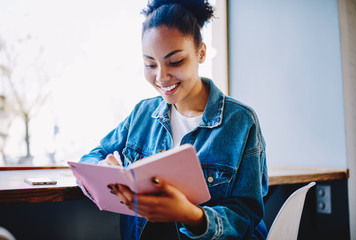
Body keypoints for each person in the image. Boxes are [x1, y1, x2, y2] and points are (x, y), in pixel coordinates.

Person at [79, 0, 268, 239]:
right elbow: (91, 158)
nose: (161, 77)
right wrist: (103, 170)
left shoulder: (240, 122)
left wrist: (191, 214)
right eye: (150, 64)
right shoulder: (142, 114)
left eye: (175, 62)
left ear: (201, 53)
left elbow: (246, 217)